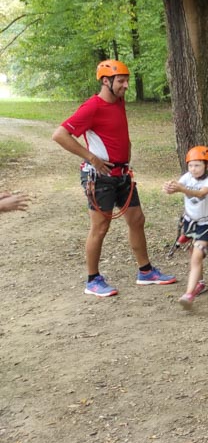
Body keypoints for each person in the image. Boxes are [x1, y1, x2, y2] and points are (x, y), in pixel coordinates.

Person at [52, 59, 176, 297]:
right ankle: (92, 280)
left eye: (126, 80)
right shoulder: (92, 107)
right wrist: (91, 158)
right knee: (100, 227)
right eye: (121, 81)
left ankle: (145, 272)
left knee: (137, 219)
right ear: (105, 81)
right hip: (100, 177)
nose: (126, 85)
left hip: (122, 174)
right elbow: (59, 135)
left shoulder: (119, 101)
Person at [162, 146, 208, 310]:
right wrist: (170, 187)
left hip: (204, 225)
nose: (193, 169)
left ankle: (188, 294)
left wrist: (181, 189)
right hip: (189, 221)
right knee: (193, 253)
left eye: (197, 165)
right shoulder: (187, 177)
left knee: (196, 257)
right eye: (191, 165)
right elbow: (177, 186)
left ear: (207, 165)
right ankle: (200, 283)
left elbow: (201, 193)